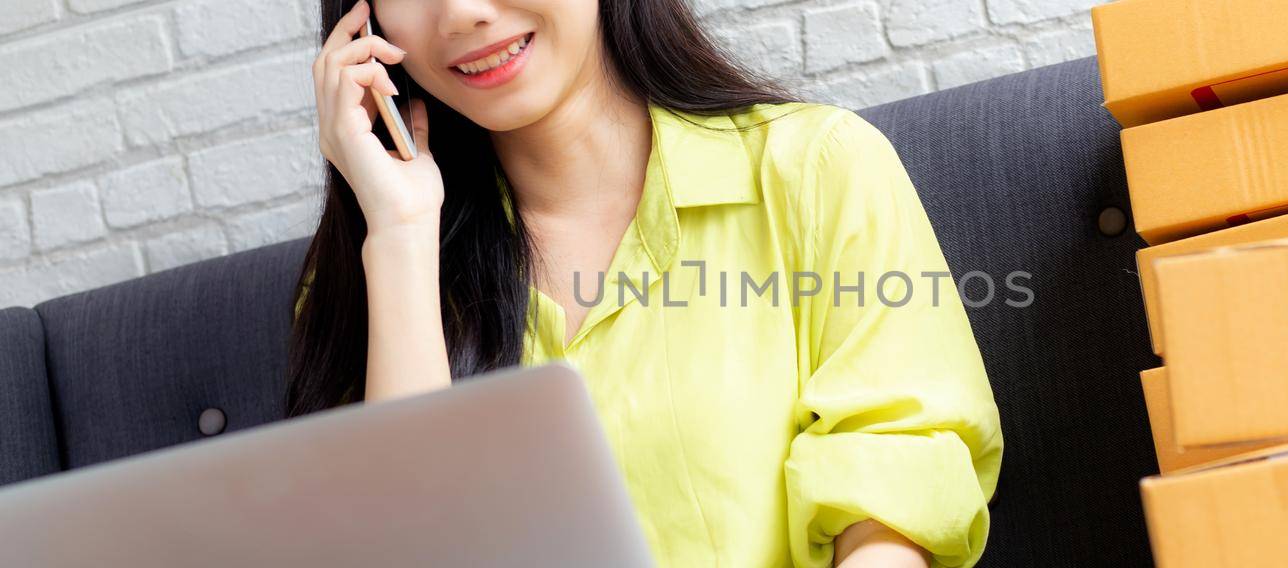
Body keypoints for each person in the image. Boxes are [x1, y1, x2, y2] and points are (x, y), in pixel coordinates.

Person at [287, 0, 1002, 566]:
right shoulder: (377, 272)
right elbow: (405, 552)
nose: (463, 12)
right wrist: (404, 234)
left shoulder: (814, 169)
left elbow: (897, 478)